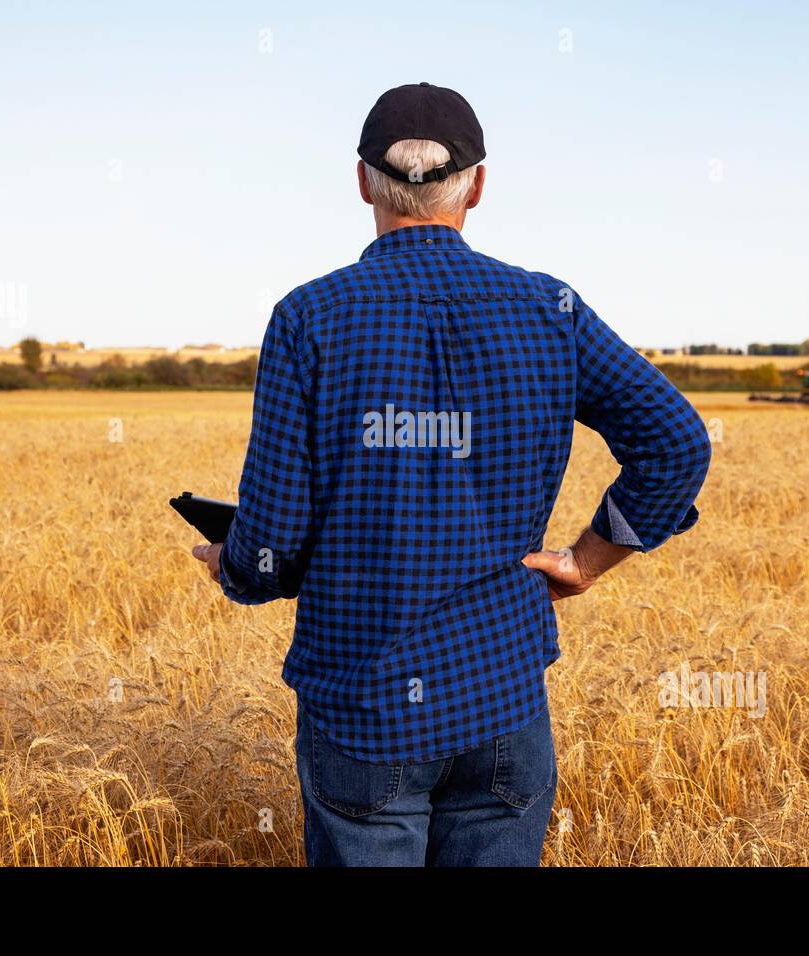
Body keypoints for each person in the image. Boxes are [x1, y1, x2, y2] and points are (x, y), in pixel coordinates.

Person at [193, 82, 711, 866]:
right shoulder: (551, 310)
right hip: (501, 698)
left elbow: (272, 541)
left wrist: (236, 566)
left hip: (360, 706)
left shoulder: (309, 317)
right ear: (478, 184)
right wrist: (586, 561)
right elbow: (677, 442)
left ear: (363, 180)